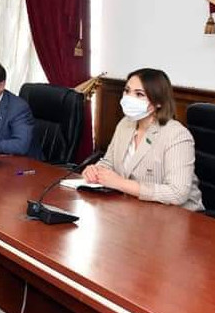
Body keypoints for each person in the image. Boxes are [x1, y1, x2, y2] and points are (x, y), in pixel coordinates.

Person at [82, 68, 203, 211]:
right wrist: (96, 171)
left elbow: (177, 193)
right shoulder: (125, 124)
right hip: (134, 208)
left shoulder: (176, 135)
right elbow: (109, 162)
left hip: (177, 216)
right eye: (127, 91)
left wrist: (120, 183)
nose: (129, 98)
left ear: (158, 102)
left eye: (139, 94)